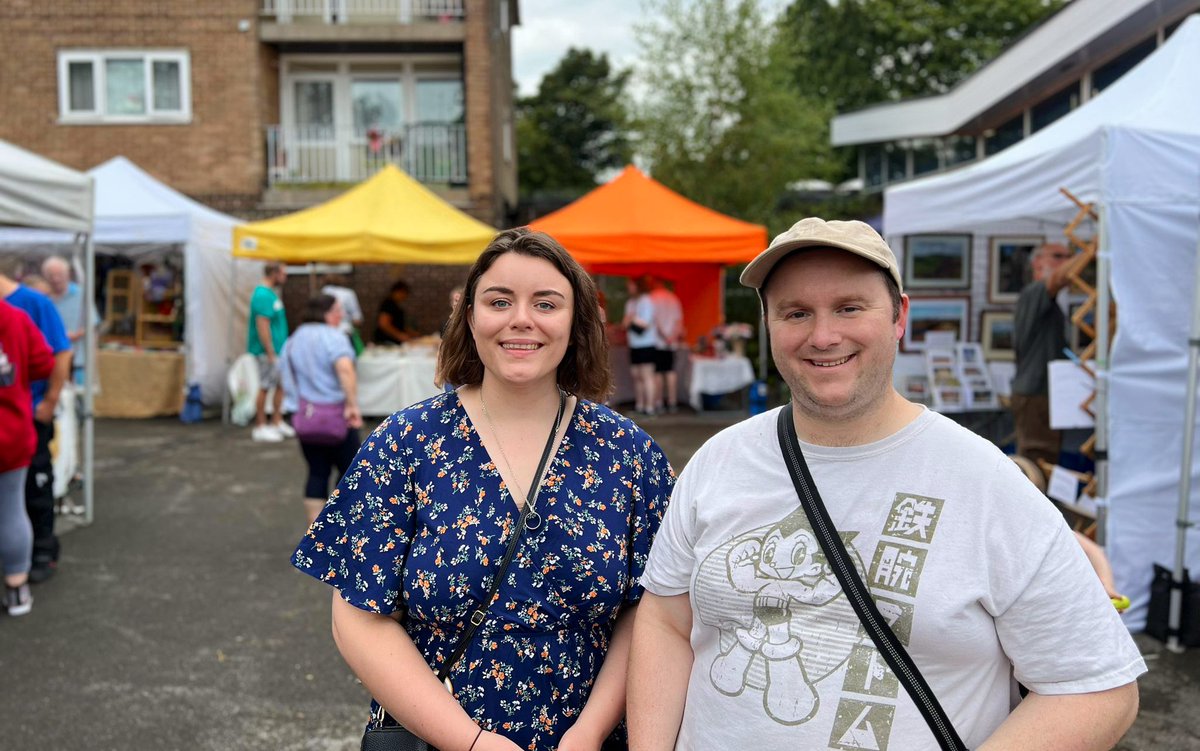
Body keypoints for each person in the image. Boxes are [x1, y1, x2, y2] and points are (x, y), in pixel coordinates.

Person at [627, 217, 1145, 750]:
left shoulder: (983, 480)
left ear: (900, 315)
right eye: (796, 312)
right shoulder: (719, 460)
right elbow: (666, 620)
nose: (823, 335)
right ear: (768, 324)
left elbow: (1094, 687)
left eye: (850, 308)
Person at [293, 227, 674, 750]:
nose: (522, 318)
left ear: (576, 322)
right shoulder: (406, 443)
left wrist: (587, 735)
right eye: (500, 301)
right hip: (436, 738)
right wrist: (470, 742)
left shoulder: (628, 453)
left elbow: (650, 609)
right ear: (470, 317)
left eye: (546, 303)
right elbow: (358, 618)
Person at [0, 260, 72, 584]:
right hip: (17, 418)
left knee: (33, 490)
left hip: (25, 417)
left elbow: (60, 354)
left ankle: (42, 550)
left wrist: (49, 401)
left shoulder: (31, 304)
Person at [279, 294, 364, 527]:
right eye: (337, 310)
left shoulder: (293, 339)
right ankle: (340, 529)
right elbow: (345, 369)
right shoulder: (334, 337)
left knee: (317, 472)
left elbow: (286, 377)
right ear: (326, 313)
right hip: (337, 417)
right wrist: (352, 405)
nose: (341, 315)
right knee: (350, 474)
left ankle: (314, 533)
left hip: (306, 418)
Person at [1011, 242, 1090, 466]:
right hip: (1035, 393)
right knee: (1037, 461)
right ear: (1037, 262)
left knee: (1045, 459)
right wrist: (1091, 249)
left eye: (1068, 256)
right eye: (1057, 256)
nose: (1064, 262)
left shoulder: (1048, 301)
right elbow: (1058, 278)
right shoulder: (1033, 293)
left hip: (1043, 392)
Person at [0, 299, 55, 615]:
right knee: (11, 509)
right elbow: (43, 364)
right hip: (11, 431)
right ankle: (17, 588)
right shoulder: (15, 317)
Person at [246, 262, 294, 443]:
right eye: (283, 273)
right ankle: (260, 426)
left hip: (278, 350)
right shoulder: (262, 295)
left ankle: (276, 421)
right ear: (274, 273)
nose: (285, 277)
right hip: (267, 352)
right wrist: (270, 351)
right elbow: (262, 325)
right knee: (265, 386)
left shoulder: (271, 294)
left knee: (280, 385)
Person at [42, 256, 101, 386]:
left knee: (79, 400)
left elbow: (92, 324)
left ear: (67, 274)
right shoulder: (43, 298)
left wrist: (75, 334)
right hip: (52, 361)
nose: (56, 279)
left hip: (79, 361)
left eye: (59, 275)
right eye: (51, 275)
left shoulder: (81, 294)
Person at [623, 276, 661, 416]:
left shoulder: (647, 301)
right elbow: (625, 322)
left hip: (647, 344)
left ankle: (650, 406)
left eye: (631, 284)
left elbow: (644, 322)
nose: (629, 287)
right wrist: (632, 319)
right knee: (636, 375)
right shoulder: (631, 302)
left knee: (647, 375)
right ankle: (640, 404)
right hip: (634, 344)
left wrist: (632, 319)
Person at [648, 276, 684, 413]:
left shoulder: (652, 298)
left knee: (657, 373)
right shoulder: (673, 298)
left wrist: (663, 336)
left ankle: (658, 401)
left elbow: (654, 320)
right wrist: (672, 337)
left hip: (657, 341)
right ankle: (672, 401)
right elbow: (678, 321)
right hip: (671, 342)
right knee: (670, 371)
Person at [320, 274, 365, 349]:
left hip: (324, 334)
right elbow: (357, 319)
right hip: (345, 332)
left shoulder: (321, 293)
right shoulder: (348, 293)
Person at [373, 279, 418, 345]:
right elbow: (383, 324)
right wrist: (400, 335)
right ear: (398, 291)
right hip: (386, 342)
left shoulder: (394, 305)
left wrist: (409, 332)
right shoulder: (388, 304)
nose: (405, 297)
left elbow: (397, 324)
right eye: (404, 293)